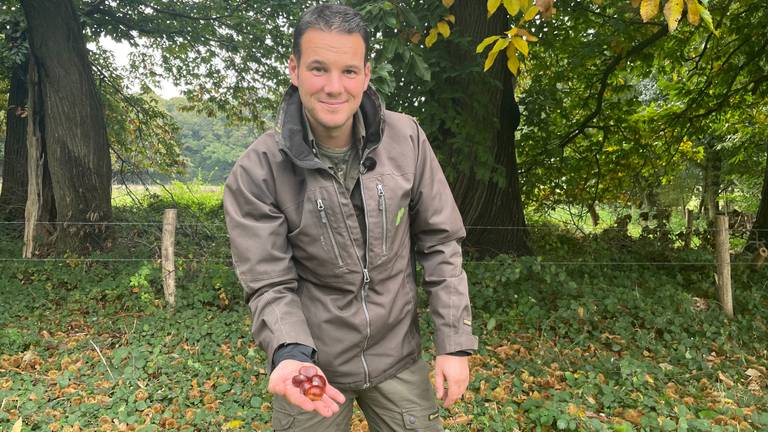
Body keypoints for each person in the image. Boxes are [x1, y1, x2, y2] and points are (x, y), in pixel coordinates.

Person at [224, 4, 478, 431]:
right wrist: (291, 354)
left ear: (366, 73)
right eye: (319, 69)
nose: (334, 87)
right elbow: (269, 282)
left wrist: (453, 344)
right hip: (314, 367)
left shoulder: (408, 139)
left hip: (398, 357)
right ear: (295, 69)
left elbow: (441, 244)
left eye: (348, 71)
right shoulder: (257, 171)